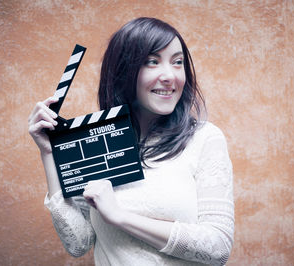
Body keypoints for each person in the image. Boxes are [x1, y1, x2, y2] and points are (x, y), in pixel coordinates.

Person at [28, 17, 234, 266]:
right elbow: (78, 243)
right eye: (152, 62)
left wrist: (119, 217)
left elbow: (218, 247)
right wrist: (49, 155)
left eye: (178, 62)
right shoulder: (96, 144)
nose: (170, 75)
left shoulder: (204, 138)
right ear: (124, 71)